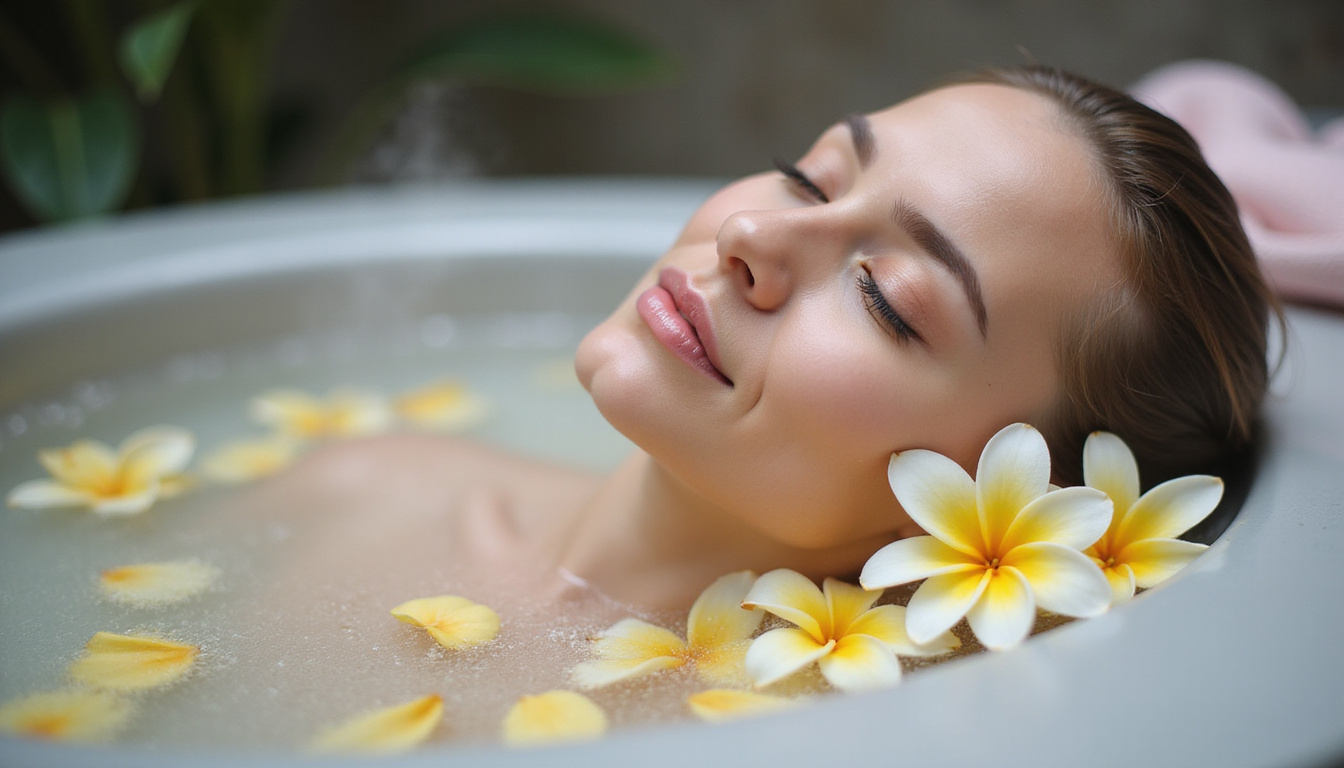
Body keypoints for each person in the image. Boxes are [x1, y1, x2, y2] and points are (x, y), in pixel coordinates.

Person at [245, 65, 1275, 614]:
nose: (751, 234)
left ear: (1019, 503)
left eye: (887, 301)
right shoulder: (357, 485)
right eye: (810, 177)